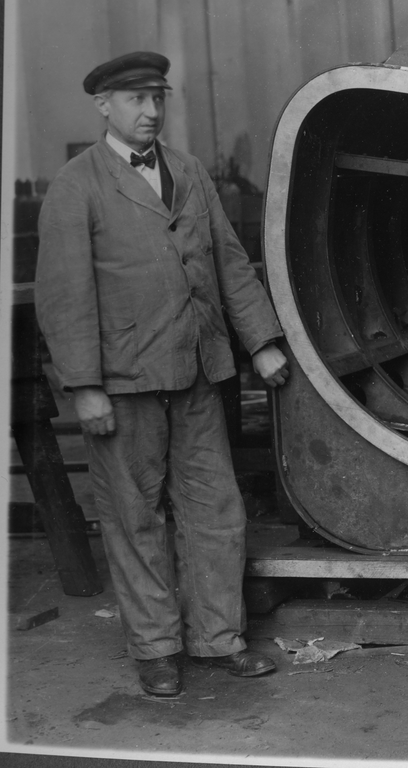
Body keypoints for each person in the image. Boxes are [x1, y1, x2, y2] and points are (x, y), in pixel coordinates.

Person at [35, 51, 290, 697]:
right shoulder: (76, 184)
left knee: (215, 510)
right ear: (104, 106)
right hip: (123, 381)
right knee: (134, 517)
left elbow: (229, 261)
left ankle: (218, 640)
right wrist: (84, 386)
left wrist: (261, 341)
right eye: (135, 100)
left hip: (198, 372)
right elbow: (63, 295)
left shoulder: (189, 171)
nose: (150, 112)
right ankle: (156, 649)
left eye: (158, 98)